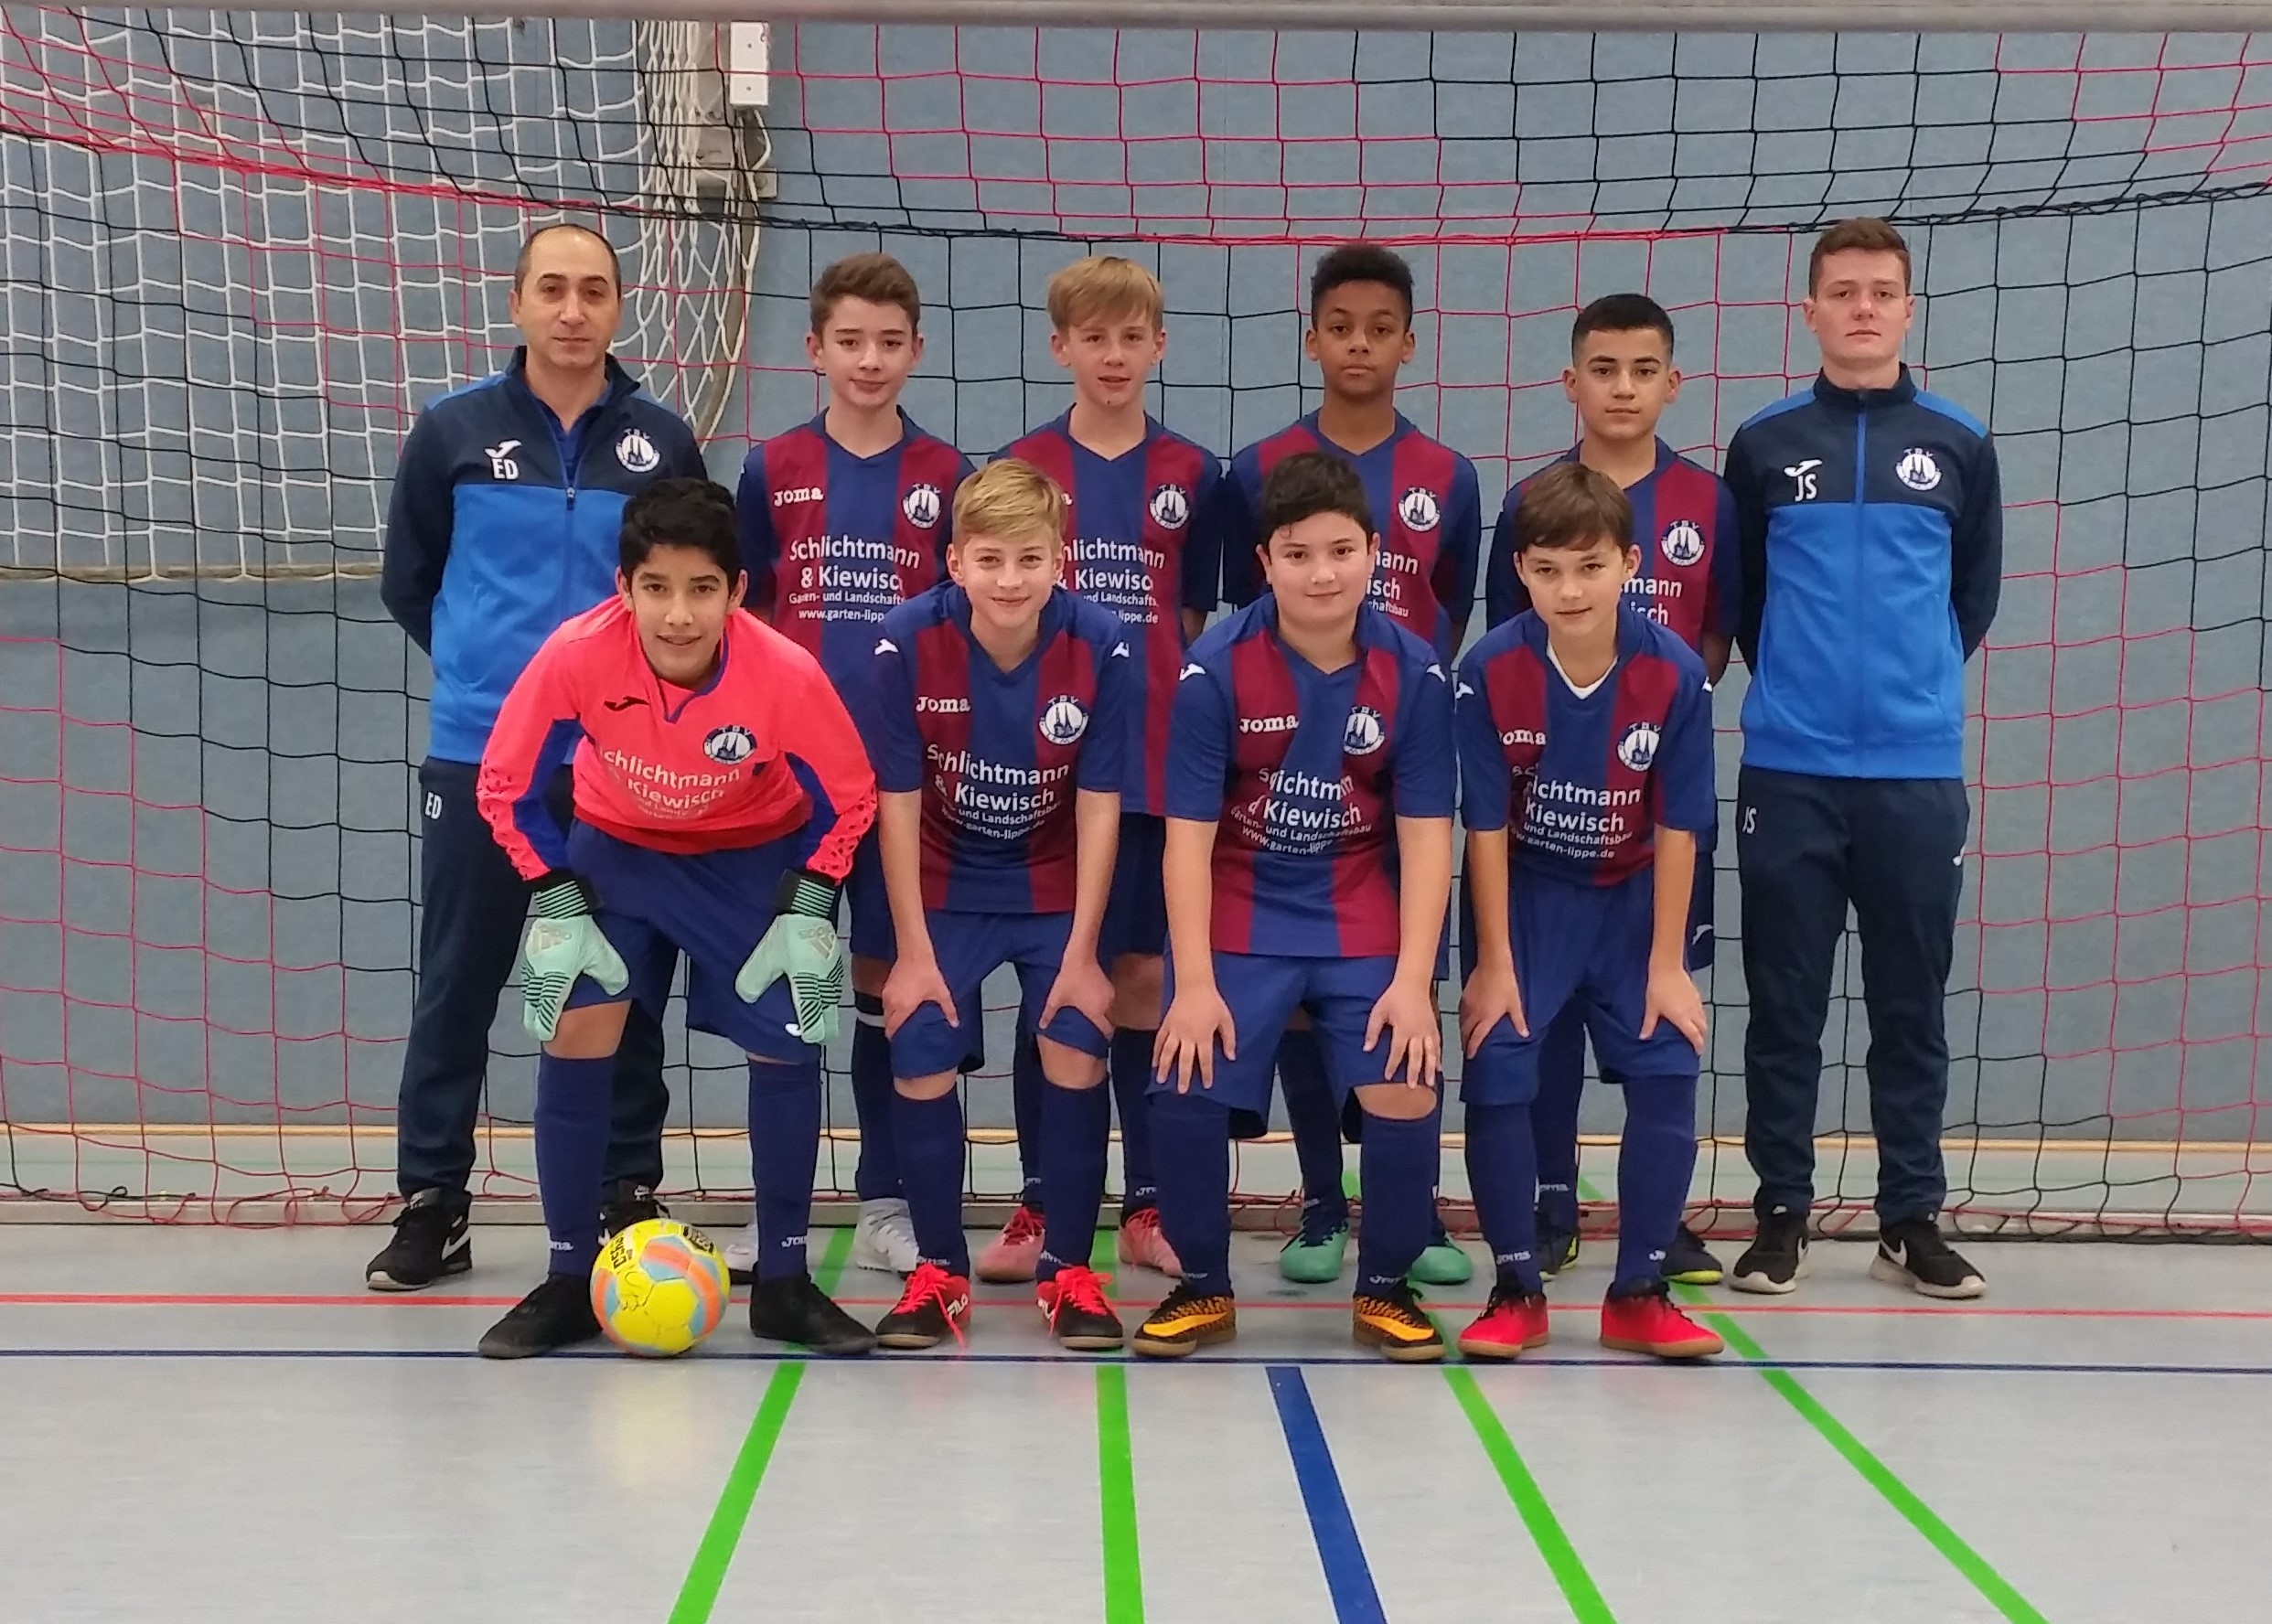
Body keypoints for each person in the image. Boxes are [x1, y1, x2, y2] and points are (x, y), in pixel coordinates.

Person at [471, 477, 877, 1359]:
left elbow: (850, 797)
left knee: (792, 1039)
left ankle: (785, 1281)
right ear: (624, 588)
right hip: (616, 852)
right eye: (656, 588)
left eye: (702, 589)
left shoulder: (785, 673)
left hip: (747, 856)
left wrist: (811, 898)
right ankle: (567, 1278)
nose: (679, 614)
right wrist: (553, 891)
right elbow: (503, 785)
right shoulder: (576, 655)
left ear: (737, 591)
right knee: (575, 1028)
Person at [371, 221, 704, 1292]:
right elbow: (411, 582)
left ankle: (624, 1187)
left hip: (622, 767)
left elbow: (688, 592)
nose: (572, 310)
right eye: (552, 289)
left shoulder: (662, 441)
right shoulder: (452, 431)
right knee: (458, 980)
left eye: (593, 291)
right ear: (517, 303)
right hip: (480, 758)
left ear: (618, 308)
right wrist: (499, 686)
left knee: (621, 981)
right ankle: (434, 1200)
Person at [1721, 217, 2002, 1298]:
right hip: (1790, 773)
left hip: (1915, 775)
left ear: (1908, 308)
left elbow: (1970, 599)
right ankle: (1780, 1215)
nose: (1864, 308)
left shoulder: (1960, 443)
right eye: (1843, 292)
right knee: (1784, 1007)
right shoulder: (1764, 444)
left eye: (1882, 291)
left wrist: (1906, 695)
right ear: (1810, 310)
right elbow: (1747, 602)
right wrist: (1804, 693)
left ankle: (1909, 1219)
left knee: (1909, 1008)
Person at [1138, 451, 1454, 1363]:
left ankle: (1385, 1288)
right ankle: (1202, 1286)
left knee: (1406, 1075)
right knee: (1186, 1074)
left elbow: (1427, 838)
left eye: (1342, 552)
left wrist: (1413, 983)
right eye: (1299, 554)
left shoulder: (1415, 671)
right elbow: (1187, 841)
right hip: (1241, 899)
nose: (1323, 573)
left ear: (1374, 555)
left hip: (1356, 901)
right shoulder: (1215, 667)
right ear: (1265, 563)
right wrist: (1193, 984)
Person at [1217, 242, 1481, 1287]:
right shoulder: (1258, 467)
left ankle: (1410, 1211)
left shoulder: (1448, 476)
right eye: (1341, 327)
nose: (1359, 344)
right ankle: (1323, 1202)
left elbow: (1449, 614)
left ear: (1410, 343)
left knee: (1404, 986)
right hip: (1282, 776)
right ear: (1312, 338)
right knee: (1296, 992)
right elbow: (1239, 615)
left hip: (1395, 766)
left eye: (1380, 328)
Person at [978, 254, 1224, 1284]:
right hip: (1048, 772)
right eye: (1094, 338)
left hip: (1158, 771)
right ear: (1061, 347)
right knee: (1058, 984)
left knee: (1145, 983)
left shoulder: (1196, 474)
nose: (1113, 356)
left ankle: (1148, 1202)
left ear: (1158, 346)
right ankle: (1043, 1200)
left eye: (1132, 338)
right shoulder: (1024, 466)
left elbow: (1193, 621)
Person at [1485, 292, 1738, 1287]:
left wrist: (1647, 722)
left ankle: (1655, 1227)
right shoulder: (1531, 502)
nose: (1623, 388)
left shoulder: (1710, 500)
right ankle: (1549, 1202)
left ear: (1673, 382)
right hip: (1545, 831)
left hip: (1646, 797)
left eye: (1643, 370)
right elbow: (1510, 643)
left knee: (1659, 1022)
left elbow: (1718, 631)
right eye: (1604, 368)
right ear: (1572, 382)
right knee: (1533, 1025)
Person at [735, 252, 974, 1279]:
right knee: (787, 979)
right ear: (814, 349)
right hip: (789, 782)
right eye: (849, 342)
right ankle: (778, 1214)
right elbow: (746, 618)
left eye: (888, 343)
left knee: (885, 983)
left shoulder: (948, 475)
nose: (868, 360)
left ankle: (889, 1198)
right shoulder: (771, 467)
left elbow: (965, 627)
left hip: (900, 783)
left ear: (916, 350)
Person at [1453, 463, 1723, 1362]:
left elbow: (1681, 827)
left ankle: (1639, 1291)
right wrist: (1494, 961)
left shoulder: (1675, 673)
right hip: (1530, 896)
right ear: (1520, 572)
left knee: (1670, 1056)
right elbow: (1483, 828)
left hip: (1633, 899)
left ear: (1629, 565)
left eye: (1590, 567)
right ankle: (1516, 1288)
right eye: (1547, 570)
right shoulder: (1489, 671)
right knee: (1499, 1056)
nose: (1569, 590)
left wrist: (1667, 964)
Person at [861, 461, 1132, 1351]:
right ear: (955, 563)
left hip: (1054, 881)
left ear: (1061, 559)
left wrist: (1084, 953)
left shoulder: (1101, 643)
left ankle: (1069, 1272)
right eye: (990, 560)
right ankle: (938, 1274)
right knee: (920, 1042)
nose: (1010, 580)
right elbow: (896, 803)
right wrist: (911, 952)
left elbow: (1101, 806)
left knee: (1077, 1042)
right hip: (946, 881)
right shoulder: (907, 641)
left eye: (1030, 559)